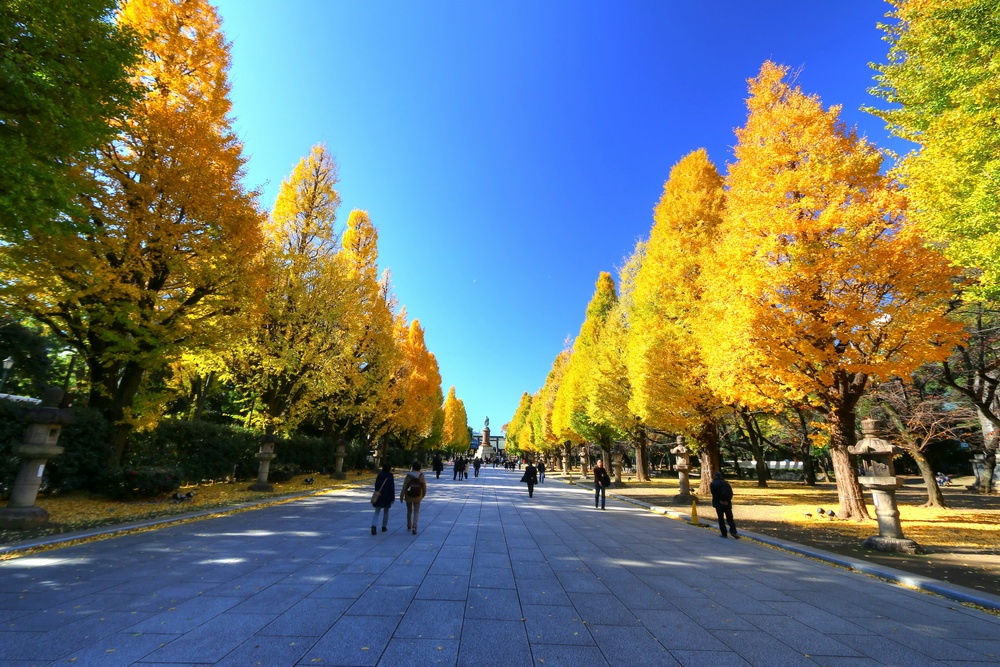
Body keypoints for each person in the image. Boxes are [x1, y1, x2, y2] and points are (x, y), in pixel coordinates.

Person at [709, 471, 739, 539]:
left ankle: (724, 533)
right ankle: (733, 532)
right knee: (730, 518)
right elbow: (730, 493)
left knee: (721, 518)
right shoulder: (726, 484)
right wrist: (727, 500)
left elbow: (714, 494)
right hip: (727, 503)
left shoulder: (713, 484)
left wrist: (720, 500)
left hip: (718, 503)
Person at [400, 461, 427, 534]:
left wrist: (402, 495)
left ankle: (409, 525)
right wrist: (424, 494)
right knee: (416, 511)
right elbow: (424, 486)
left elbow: (405, 486)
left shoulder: (409, 475)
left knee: (409, 511)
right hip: (418, 495)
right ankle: (415, 526)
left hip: (409, 495)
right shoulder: (421, 475)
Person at [370, 463, 395, 535]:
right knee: (386, 512)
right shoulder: (390, 476)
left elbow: (376, 485)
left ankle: (373, 526)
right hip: (387, 496)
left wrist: (377, 491)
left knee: (377, 512)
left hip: (379, 495)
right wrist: (392, 498)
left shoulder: (379, 475)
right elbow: (391, 488)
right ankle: (384, 526)